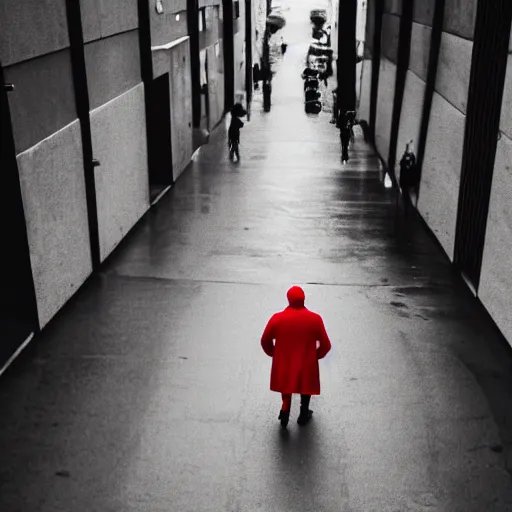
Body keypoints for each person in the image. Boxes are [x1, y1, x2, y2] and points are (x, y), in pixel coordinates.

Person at [260, 286, 332, 428]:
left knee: (286, 384)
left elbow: (265, 340)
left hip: (285, 361)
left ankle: (285, 408)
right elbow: (326, 344)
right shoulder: (315, 319)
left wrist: (274, 353)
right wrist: (315, 356)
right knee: (305, 385)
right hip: (306, 363)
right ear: (304, 299)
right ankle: (303, 412)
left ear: (288, 299)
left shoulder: (277, 319)